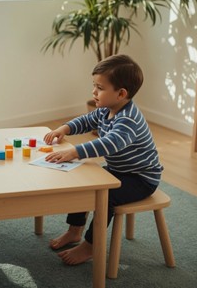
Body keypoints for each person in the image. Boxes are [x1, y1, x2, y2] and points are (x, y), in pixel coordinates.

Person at [43, 54, 163, 265]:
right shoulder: (106, 109)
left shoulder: (128, 119)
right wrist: (64, 128)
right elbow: (86, 120)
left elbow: (110, 143)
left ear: (121, 94)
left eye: (100, 87)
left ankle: (90, 246)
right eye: (94, 85)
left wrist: (74, 152)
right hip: (119, 170)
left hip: (141, 178)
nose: (94, 92)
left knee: (104, 196)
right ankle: (74, 231)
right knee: (84, 181)